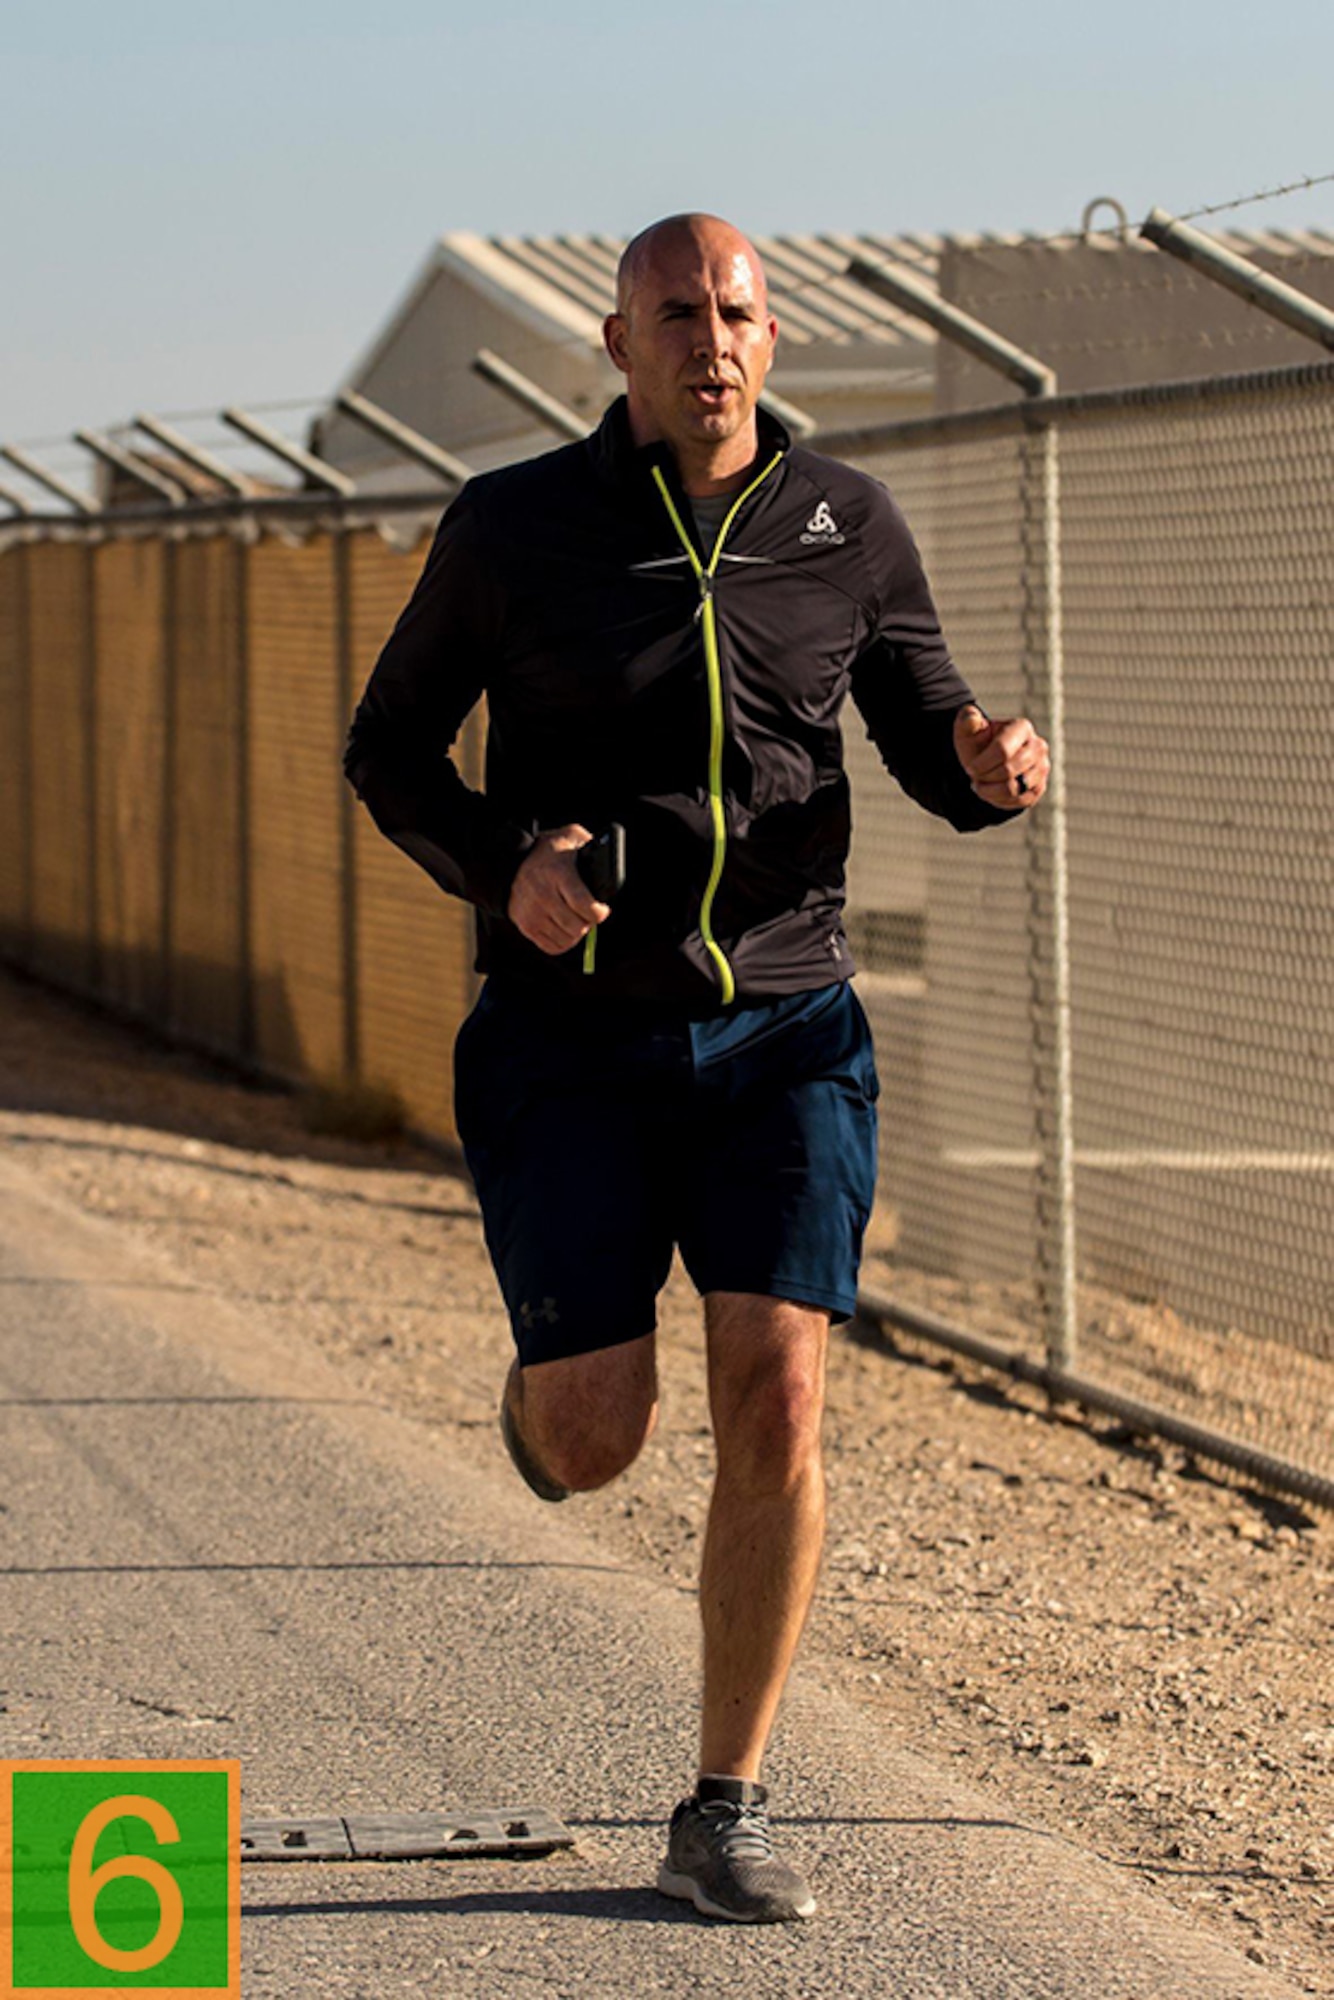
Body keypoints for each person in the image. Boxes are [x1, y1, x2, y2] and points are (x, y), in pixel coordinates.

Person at [343, 212, 1050, 1924]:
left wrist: (986, 759)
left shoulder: (844, 528)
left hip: (789, 1024)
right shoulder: (518, 528)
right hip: (571, 1034)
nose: (708, 340)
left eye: (733, 312)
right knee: (597, 1435)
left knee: (779, 1389)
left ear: (771, 336)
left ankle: (722, 1805)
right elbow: (389, 745)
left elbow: (925, 726)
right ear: (618, 345)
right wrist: (503, 862)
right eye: (676, 313)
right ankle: (543, 1404)